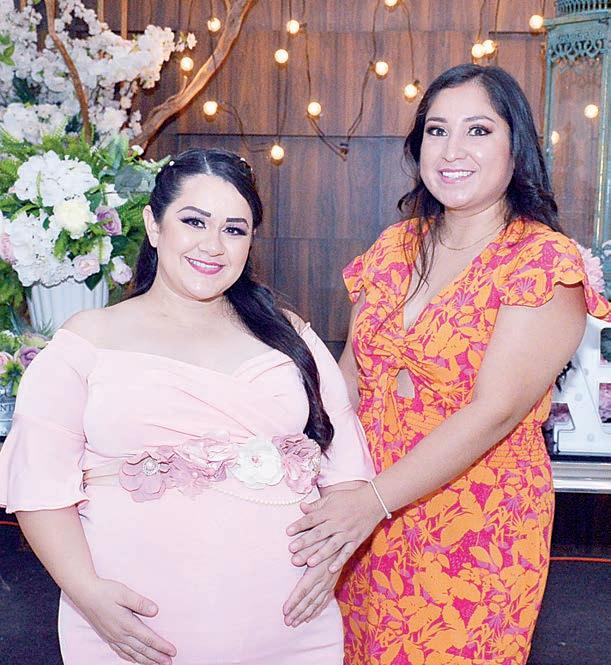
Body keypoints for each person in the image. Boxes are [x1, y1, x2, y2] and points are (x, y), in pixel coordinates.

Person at [284, 64, 611, 664]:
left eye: (478, 130)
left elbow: (494, 412)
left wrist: (372, 502)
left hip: (474, 523)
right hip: (362, 516)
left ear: (517, 146)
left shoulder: (543, 263)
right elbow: (350, 379)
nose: (452, 150)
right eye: (437, 130)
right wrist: (307, 470)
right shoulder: (394, 246)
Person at [0, 148, 375, 665]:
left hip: (291, 630)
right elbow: (39, 488)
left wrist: (329, 563)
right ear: (154, 226)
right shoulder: (88, 339)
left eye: (234, 229)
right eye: (194, 221)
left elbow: (348, 476)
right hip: (132, 635)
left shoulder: (291, 337)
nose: (213, 245)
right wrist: (86, 592)